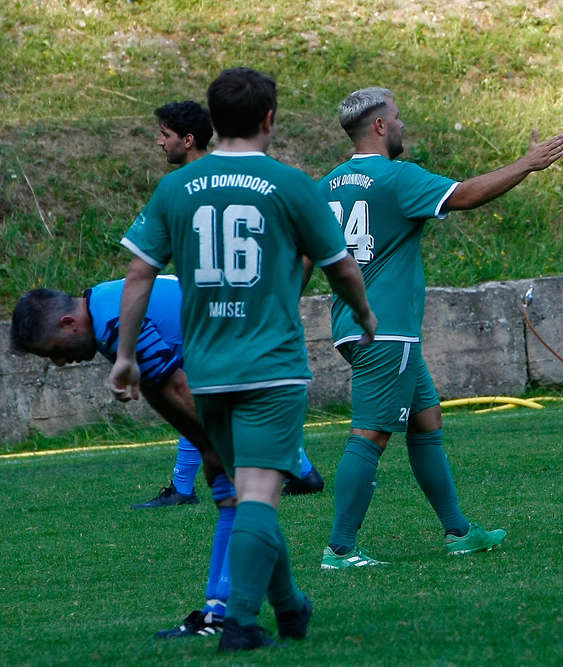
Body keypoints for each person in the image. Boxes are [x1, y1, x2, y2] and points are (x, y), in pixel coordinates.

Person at [110, 67, 377, 652]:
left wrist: (125, 354)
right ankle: (241, 622)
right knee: (258, 494)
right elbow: (340, 266)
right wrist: (363, 314)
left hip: (207, 370)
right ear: (269, 119)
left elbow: (138, 274)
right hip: (272, 366)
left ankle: (290, 606)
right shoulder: (290, 183)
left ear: (210, 122)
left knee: (247, 490)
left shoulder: (176, 189)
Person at [314, 86, 563, 569]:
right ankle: (340, 549)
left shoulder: (329, 183)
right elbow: (465, 195)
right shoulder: (395, 177)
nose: (404, 124)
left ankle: (459, 531)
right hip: (386, 331)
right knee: (369, 435)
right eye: (398, 117)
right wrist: (527, 164)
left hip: (354, 325)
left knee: (427, 422)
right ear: (381, 126)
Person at [10, 278, 235, 637]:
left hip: (253, 360)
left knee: (244, 493)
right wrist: (209, 448)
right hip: (240, 356)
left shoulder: (113, 322)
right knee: (237, 494)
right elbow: (161, 389)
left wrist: (220, 447)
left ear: (68, 324)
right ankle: (271, 606)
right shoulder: (104, 307)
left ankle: (231, 610)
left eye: (55, 349)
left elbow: (177, 387)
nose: (60, 361)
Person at [142, 100, 325, 506]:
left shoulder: (183, 188)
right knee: (256, 396)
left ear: (188, 140)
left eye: (166, 135)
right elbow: (312, 248)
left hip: (215, 311)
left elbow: (142, 267)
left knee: (207, 399)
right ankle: (299, 470)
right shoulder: (256, 178)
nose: (159, 142)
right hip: (250, 310)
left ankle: (194, 489)